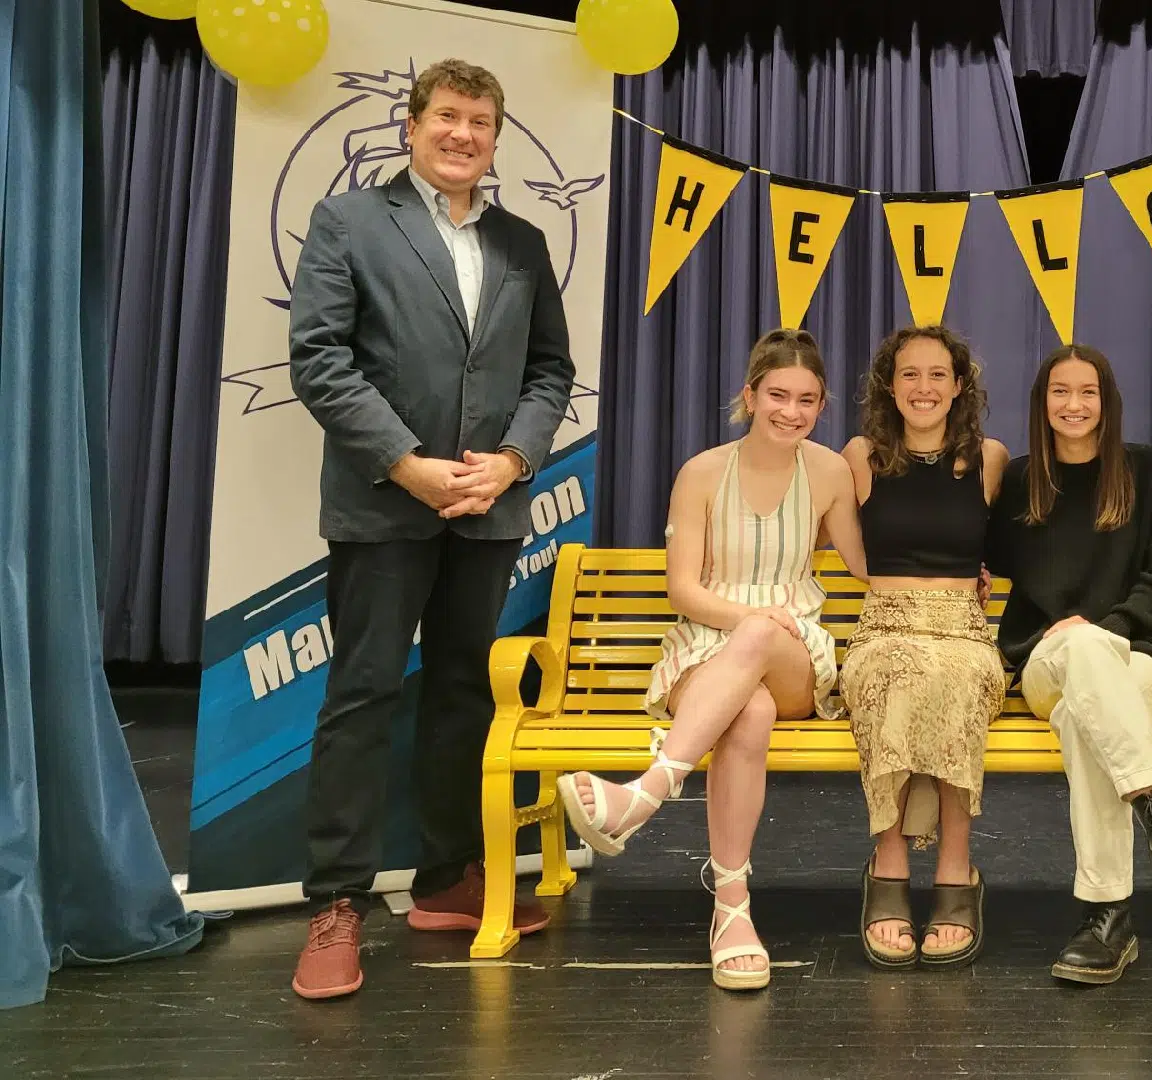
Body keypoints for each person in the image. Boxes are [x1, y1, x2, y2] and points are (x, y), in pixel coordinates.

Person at [285, 59, 575, 1001]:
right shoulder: (348, 223)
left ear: (496, 139)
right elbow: (320, 361)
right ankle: (336, 904)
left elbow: (550, 372)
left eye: (481, 122)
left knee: (461, 693)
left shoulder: (524, 243)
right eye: (447, 116)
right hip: (382, 506)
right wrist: (406, 463)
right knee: (364, 695)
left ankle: (449, 879)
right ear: (411, 126)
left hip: (488, 515)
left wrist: (515, 460)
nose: (463, 134)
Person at [557, 328, 864, 992]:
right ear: (749, 394)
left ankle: (644, 795)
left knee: (759, 650)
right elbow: (683, 589)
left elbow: (867, 568)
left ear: (822, 404)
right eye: (777, 394)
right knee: (746, 714)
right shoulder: (700, 471)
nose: (791, 411)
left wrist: (956, 570)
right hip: (705, 639)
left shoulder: (831, 470)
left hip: (793, 649)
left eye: (807, 399)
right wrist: (745, 619)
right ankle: (732, 911)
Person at [987, 344, 1152, 986]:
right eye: (1059, 392)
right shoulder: (1018, 481)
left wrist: (1103, 629)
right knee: (1079, 661)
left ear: (1107, 401)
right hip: (1048, 663)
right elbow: (978, 560)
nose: (1074, 404)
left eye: (1087, 392)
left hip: (1145, 662)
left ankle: (1107, 913)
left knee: (1081, 718)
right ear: (1042, 403)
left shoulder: (1144, 471)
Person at [839, 325, 1009, 971]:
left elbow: (1010, 543)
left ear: (959, 385)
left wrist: (980, 577)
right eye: (910, 374)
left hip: (963, 629)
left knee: (958, 678)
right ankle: (888, 861)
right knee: (891, 673)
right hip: (884, 625)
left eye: (938, 375)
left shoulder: (990, 458)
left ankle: (954, 869)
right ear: (889, 384)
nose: (924, 388)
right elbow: (836, 538)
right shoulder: (860, 455)